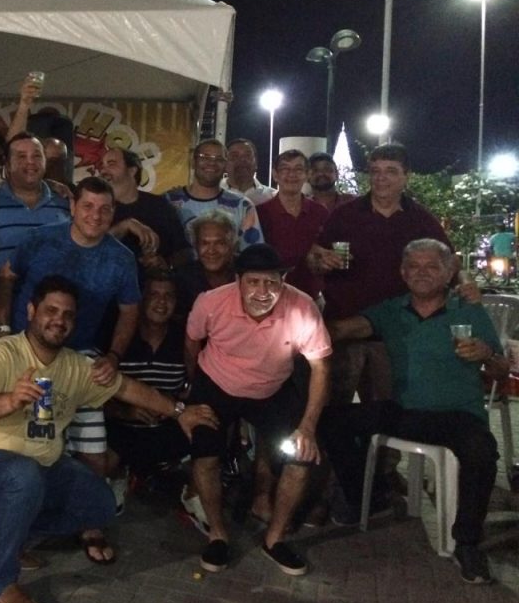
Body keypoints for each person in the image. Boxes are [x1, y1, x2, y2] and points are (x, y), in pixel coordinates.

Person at [0, 275, 217, 603]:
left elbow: (126, 387)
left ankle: (8, 530)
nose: (59, 320)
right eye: (51, 310)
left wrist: (179, 411)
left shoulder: (74, 365)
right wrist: (9, 400)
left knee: (100, 504)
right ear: (31, 311)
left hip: (36, 470)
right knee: (22, 477)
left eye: (68, 314)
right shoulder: (2, 353)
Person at [321, 239, 506, 584]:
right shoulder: (391, 310)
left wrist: (486, 354)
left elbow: (500, 370)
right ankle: (366, 493)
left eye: (432, 266)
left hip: (458, 414)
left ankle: (467, 543)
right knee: (331, 421)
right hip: (405, 411)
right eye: (414, 267)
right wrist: (293, 318)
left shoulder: (468, 311)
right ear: (403, 273)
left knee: (481, 452)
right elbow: (344, 329)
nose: (422, 273)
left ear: (449, 273)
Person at [0, 176, 140, 564]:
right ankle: (17, 528)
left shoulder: (121, 258)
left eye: (105, 209)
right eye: (87, 206)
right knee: (34, 444)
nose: (95, 215)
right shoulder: (40, 239)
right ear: (72, 206)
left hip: (82, 358)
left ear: (114, 213)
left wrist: (114, 356)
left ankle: (89, 520)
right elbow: (7, 277)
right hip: (34, 357)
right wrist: (3, 329)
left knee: (93, 449)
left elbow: (129, 311)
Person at [184, 244, 331, 576]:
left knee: (301, 456)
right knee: (205, 453)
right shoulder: (211, 302)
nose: (262, 291)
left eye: (271, 282)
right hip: (216, 382)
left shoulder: (303, 308)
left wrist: (307, 427)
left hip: (272, 387)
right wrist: (194, 388)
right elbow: (192, 340)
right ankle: (217, 534)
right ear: (238, 281)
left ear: (282, 281)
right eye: (253, 282)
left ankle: (274, 538)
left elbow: (321, 367)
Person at [308, 143, 452, 404]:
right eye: (376, 171)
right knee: (332, 409)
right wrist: (321, 260)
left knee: (387, 410)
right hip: (344, 328)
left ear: (406, 176)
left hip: (394, 335)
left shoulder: (421, 220)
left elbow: (449, 261)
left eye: (391, 171)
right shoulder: (344, 215)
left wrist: (463, 286)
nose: (381, 178)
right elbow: (315, 256)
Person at [0, 133, 70, 346]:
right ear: (7, 164)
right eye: (21, 156)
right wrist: (0, 329)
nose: (30, 162)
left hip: (55, 327)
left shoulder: (66, 204)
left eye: (37, 156)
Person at [105, 271, 192, 480]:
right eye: (154, 295)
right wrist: (125, 412)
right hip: (122, 429)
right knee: (104, 462)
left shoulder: (184, 339)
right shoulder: (120, 338)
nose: (161, 302)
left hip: (168, 427)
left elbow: (193, 388)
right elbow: (95, 394)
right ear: (142, 299)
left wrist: (174, 405)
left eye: (168, 296)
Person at [98, 147, 191, 273]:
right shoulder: (98, 207)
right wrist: (125, 226)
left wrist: (166, 263)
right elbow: (89, 248)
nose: (103, 171)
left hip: (152, 283)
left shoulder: (159, 205)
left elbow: (184, 251)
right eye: (102, 166)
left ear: (132, 170)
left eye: (111, 164)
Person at [164, 139, 263, 254]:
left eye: (219, 159)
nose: (212, 163)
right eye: (205, 157)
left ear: (226, 165)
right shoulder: (168, 201)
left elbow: (254, 254)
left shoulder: (243, 206)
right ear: (193, 162)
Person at [256, 149, 328, 299]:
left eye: (298, 169)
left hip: (311, 297)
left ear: (307, 174)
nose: (291, 174)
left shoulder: (320, 212)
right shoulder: (259, 213)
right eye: (285, 169)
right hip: (271, 296)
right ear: (275, 175)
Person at [220, 138, 276, 205]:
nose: (242, 160)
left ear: (256, 163)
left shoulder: (272, 197)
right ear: (225, 163)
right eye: (234, 156)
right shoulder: (212, 193)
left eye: (247, 155)